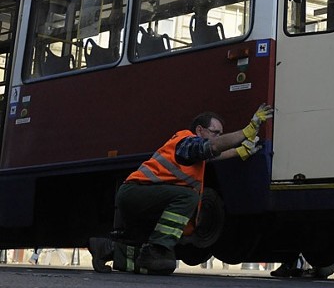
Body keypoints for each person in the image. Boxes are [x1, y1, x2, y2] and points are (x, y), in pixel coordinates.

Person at [87, 104, 273, 275]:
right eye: (215, 132)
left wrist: (240, 151)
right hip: (137, 194)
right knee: (187, 196)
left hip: (144, 198)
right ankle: (157, 249)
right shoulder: (187, 142)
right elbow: (214, 146)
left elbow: (215, 154)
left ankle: (107, 249)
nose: (218, 137)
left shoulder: (194, 153)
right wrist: (248, 130)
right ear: (200, 130)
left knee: (163, 264)